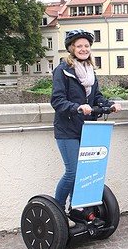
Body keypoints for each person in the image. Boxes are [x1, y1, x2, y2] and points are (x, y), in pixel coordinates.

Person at [51, 29, 121, 214]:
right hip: (67, 129)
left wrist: (110, 104)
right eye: (79, 46)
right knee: (73, 172)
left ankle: (76, 208)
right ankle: (57, 210)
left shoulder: (90, 71)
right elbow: (57, 100)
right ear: (71, 48)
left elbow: (96, 97)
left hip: (87, 129)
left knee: (84, 173)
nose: (83, 49)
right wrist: (77, 107)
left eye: (86, 46)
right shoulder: (62, 71)